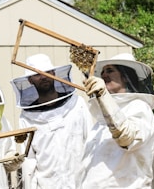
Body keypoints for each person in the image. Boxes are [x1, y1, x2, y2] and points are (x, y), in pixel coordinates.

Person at [10, 53, 93, 189]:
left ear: (54, 72)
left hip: (82, 183)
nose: (44, 77)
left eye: (47, 72)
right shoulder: (26, 118)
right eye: (37, 74)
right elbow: (30, 162)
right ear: (30, 80)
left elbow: (91, 143)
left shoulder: (78, 104)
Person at [77, 53, 154, 188]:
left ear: (126, 77)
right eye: (102, 72)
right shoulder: (100, 121)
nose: (104, 75)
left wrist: (103, 96)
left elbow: (126, 138)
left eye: (110, 70)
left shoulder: (139, 107)